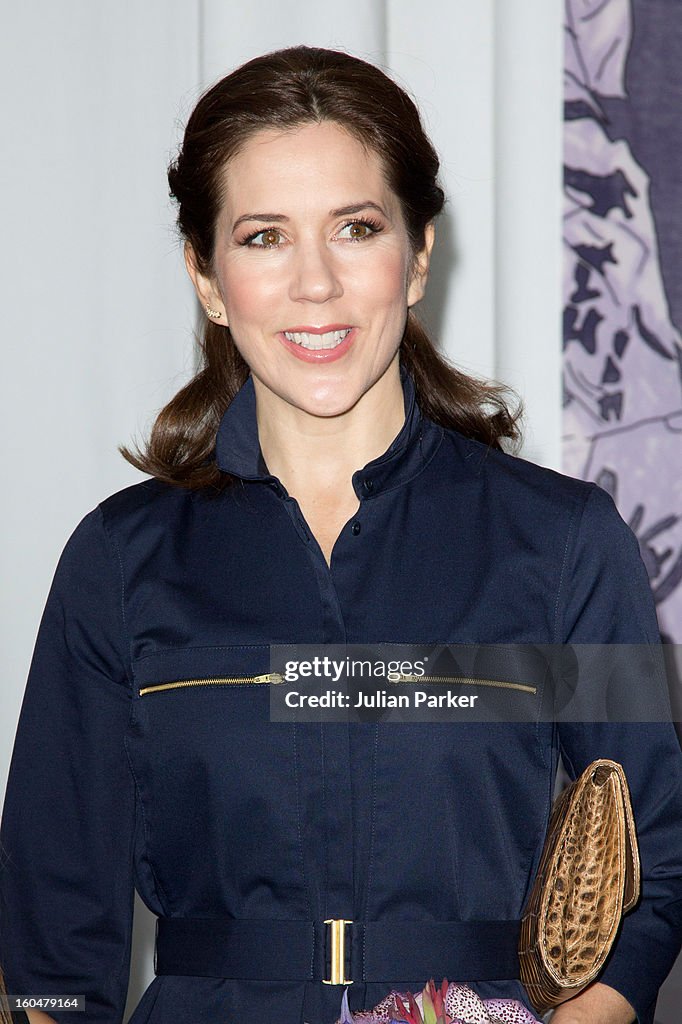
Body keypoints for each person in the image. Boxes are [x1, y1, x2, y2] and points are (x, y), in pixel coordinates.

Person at [1, 45, 681, 1024]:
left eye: (355, 229)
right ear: (206, 276)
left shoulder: (566, 542)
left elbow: (657, 855)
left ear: (417, 256)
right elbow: (54, 938)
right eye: (265, 236)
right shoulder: (118, 560)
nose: (314, 283)